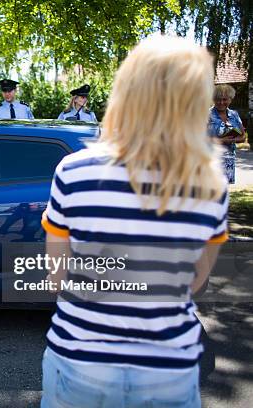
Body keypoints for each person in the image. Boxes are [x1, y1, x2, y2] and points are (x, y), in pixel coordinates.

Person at [40, 35, 228, 407]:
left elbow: (56, 279)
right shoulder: (210, 182)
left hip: (81, 357)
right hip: (168, 363)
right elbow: (194, 282)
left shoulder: (73, 171)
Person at [208, 84, 247, 184]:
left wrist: (232, 140)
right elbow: (199, 139)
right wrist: (222, 140)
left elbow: (243, 136)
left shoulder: (234, 114)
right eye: (218, 99)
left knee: (224, 189)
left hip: (229, 158)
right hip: (211, 159)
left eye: (224, 99)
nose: (221, 102)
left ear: (230, 99)